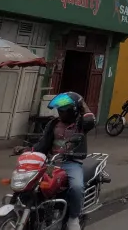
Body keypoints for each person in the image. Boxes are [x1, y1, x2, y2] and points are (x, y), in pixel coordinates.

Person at [32, 92, 95, 230]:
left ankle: (73, 218)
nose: (60, 113)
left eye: (64, 110)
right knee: (37, 185)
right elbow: (42, 143)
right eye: (59, 110)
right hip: (51, 164)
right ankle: (39, 216)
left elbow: (90, 120)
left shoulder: (81, 124)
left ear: (73, 111)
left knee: (77, 187)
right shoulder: (53, 123)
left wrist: (82, 103)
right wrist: (28, 150)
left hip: (71, 163)